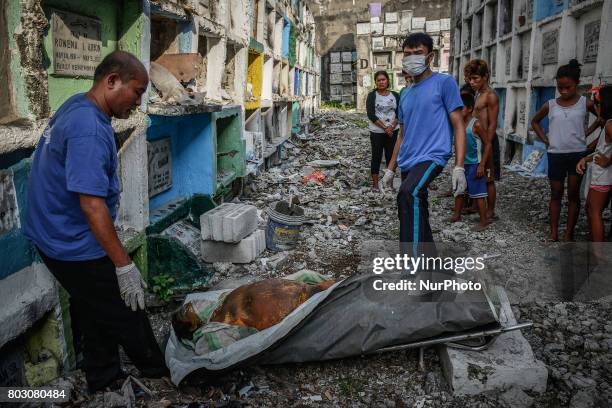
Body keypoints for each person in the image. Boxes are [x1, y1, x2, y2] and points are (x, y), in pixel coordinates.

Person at [23, 51, 168, 393]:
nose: (138, 101)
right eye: (136, 91)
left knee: (90, 303)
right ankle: (159, 370)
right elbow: (91, 205)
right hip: (70, 238)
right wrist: (123, 265)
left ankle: (103, 377)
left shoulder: (78, 105)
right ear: (111, 81)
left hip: (51, 231)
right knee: (124, 306)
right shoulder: (89, 127)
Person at [382, 32, 467, 257]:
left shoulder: (444, 83)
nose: (412, 58)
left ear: (430, 56)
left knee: (408, 193)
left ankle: (415, 265)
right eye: (407, 54)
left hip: (432, 155)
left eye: (418, 53)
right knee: (411, 207)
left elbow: (458, 125)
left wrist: (459, 167)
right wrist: (390, 168)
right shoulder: (406, 93)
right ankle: (429, 260)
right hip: (408, 158)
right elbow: (402, 134)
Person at [531, 59, 599, 241]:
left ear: (576, 84)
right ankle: (553, 232)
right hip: (555, 155)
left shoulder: (586, 103)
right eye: (560, 87)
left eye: (568, 87)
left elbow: (603, 119)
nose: (563, 91)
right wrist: (545, 140)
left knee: (573, 195)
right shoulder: (550, 104)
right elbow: (534, 121)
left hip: (578, 155)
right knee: (556, 193)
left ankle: (569, 233)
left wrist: (589, 135)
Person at [449, 92, 491, 230]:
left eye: (461, 108)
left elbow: (488, 144)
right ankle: (457, 215)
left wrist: (482, 165)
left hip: (474, 163)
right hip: (462, 164)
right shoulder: (458, 124)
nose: (458, 111)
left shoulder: (476, 124)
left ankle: (484, 220)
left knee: (478, 194)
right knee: (459, 190)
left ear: (469, 108)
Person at [464, 60, 500, 220]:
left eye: (476, 78)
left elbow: (492, 125)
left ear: (485, 77)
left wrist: (488, 148)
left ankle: (490, 211)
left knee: (489, 177)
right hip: (477, 140)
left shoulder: (491, 96)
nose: (472, 82)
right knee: (474, 173)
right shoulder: (478, 93)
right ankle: (475, 205)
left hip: (488, 141)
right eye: (470, 79)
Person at [577, 85, 612, 243]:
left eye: (596, 104)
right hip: (599, 174)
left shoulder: (610, 125)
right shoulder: (607, 124)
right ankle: (594, 248)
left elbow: (604, 155)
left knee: (595, 212)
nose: (595, 108)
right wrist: (585, 159)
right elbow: (600, 150)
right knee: (590, 209)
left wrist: (608, 160)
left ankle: (599, 255)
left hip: (603, 176)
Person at [366, 70, 400, 192]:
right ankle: (375, 185)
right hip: (377, 132)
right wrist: (385, 128)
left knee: (391, 157)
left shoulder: (395, 95)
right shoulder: (372, 95)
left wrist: (392, 126)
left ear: (387, 81)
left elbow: (399, 113)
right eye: (378, 80)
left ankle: (389, 184)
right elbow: (371, 114)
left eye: (383, 79)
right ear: (375, 82)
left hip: (393, 131)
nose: (381, 82)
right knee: (376, 157)